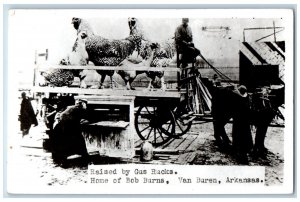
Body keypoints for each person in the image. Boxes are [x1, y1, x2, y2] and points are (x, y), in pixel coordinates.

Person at [51, 99, 89, 165]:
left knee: (61, 143)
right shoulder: (78, 109)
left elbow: (62, 115)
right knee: (75, 141)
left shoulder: (70, 108)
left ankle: (58, 160)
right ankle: (83, 157)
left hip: (61, 126)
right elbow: (82, 119)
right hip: (67, 126)